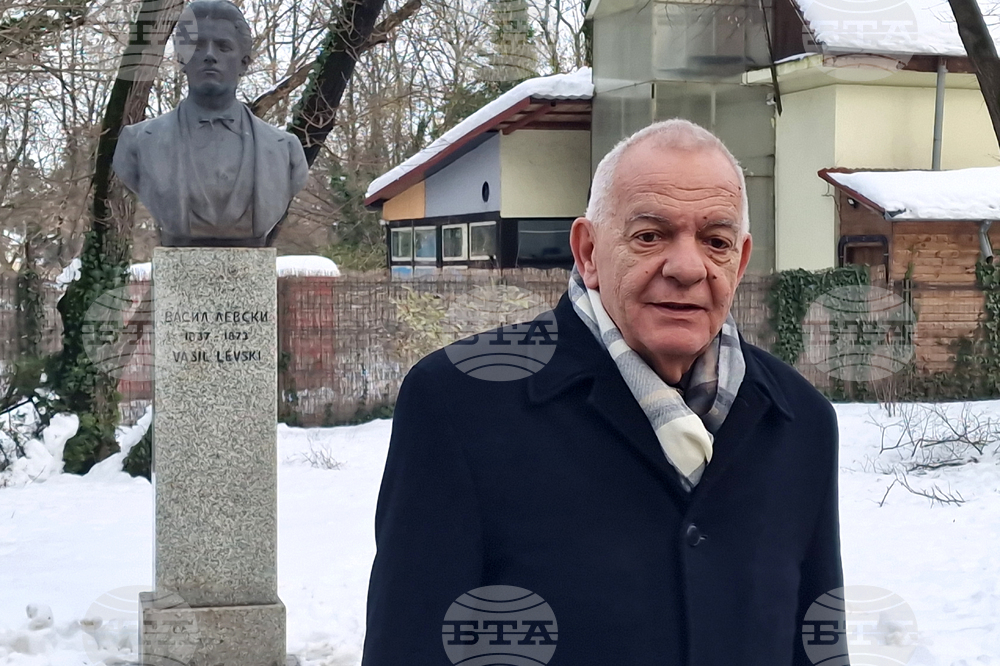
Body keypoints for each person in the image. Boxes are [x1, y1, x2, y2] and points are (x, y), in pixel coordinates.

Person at [362, 119, 846, 665]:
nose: (687, 268)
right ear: (588, 251)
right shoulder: (462, 404)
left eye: (716, 242)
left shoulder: (799, 421)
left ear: (741, 261)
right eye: (650, 236)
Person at [113, 0, 308, 247]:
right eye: (197, 46)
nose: (209, 56)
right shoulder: (137, 143)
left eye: (223, 47)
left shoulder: (285, 150)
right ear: (182, 59)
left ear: (244, 62)